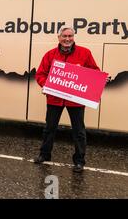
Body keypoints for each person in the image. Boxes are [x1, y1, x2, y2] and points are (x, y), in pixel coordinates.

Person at [34, 26, 100, 173]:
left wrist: (99, 79)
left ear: (73, 37)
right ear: (59, 38)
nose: (67, 39)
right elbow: (40, 74)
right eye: (64, 36)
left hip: (75, 100)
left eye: (70, 36)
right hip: (54, 99)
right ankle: (44, 155)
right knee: (49, 129)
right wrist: (47, 86)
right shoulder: (50, 54)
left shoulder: (85, 53)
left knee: (78, 131)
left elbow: (94, 71)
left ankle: (79, 161)